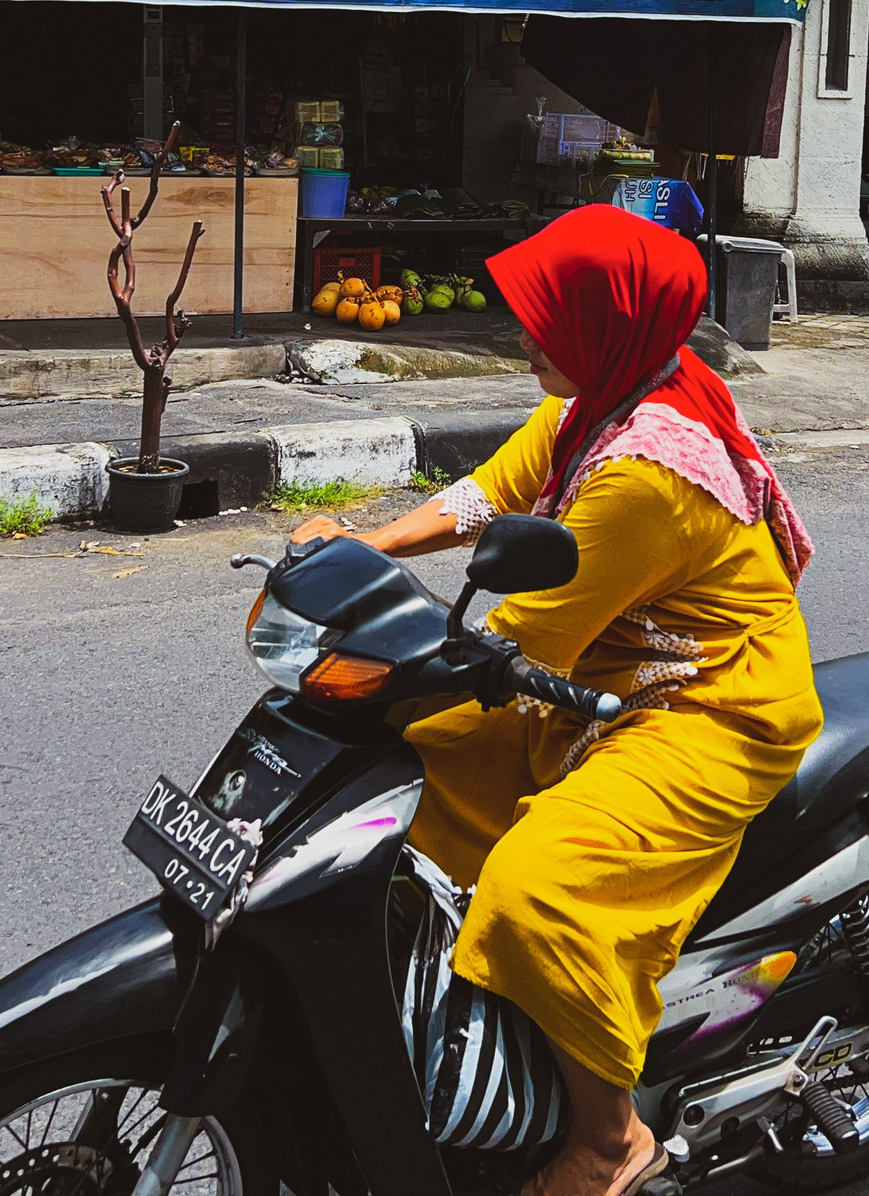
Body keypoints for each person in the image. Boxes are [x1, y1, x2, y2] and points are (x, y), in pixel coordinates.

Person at [294, 205, 823, 1196]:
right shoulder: (604, 395)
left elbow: (522, 639)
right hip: (604, 681)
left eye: (549, 317)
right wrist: (363, 550)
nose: (525, 335)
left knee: (537, 895)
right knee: (412, 780)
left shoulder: (646, 477)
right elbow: (491, 491)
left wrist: (383, 673)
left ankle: (609, 1138)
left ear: (604, 326)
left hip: (703, 710)